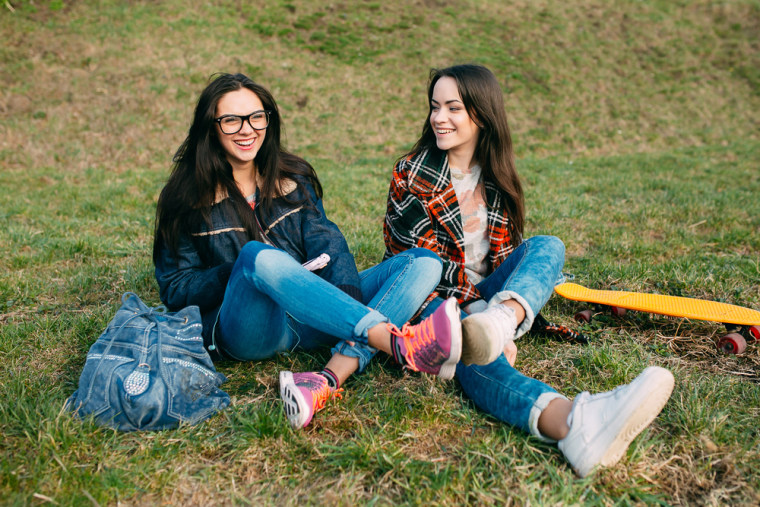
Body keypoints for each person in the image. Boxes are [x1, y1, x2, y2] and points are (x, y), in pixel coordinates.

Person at [152, 73, 498, 431]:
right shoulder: (186, 198)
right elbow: (176, 289)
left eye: (257, 117)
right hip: (252, 328)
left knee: (425, 262)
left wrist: (347, 306)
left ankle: (329, 375)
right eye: (231, 120)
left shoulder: (292, 177)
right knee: (257, 256)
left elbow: (328, 243)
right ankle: (392, 341)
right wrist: (238, 271)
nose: (247, 129)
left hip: (315, 314)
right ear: (211, 128)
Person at [383, 64, 675, 477]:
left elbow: (504, 257)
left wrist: (495, 318)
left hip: (491, 302)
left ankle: (500, 323)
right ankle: (571, 420)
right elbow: (415, 266)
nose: (439, 118)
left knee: (547, 246)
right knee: (469, 348)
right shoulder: (412, 175)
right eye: (434, 107)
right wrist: (470, 316)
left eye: (453, 108)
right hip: (432, 302)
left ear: (481, 115)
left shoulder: (496, 173)